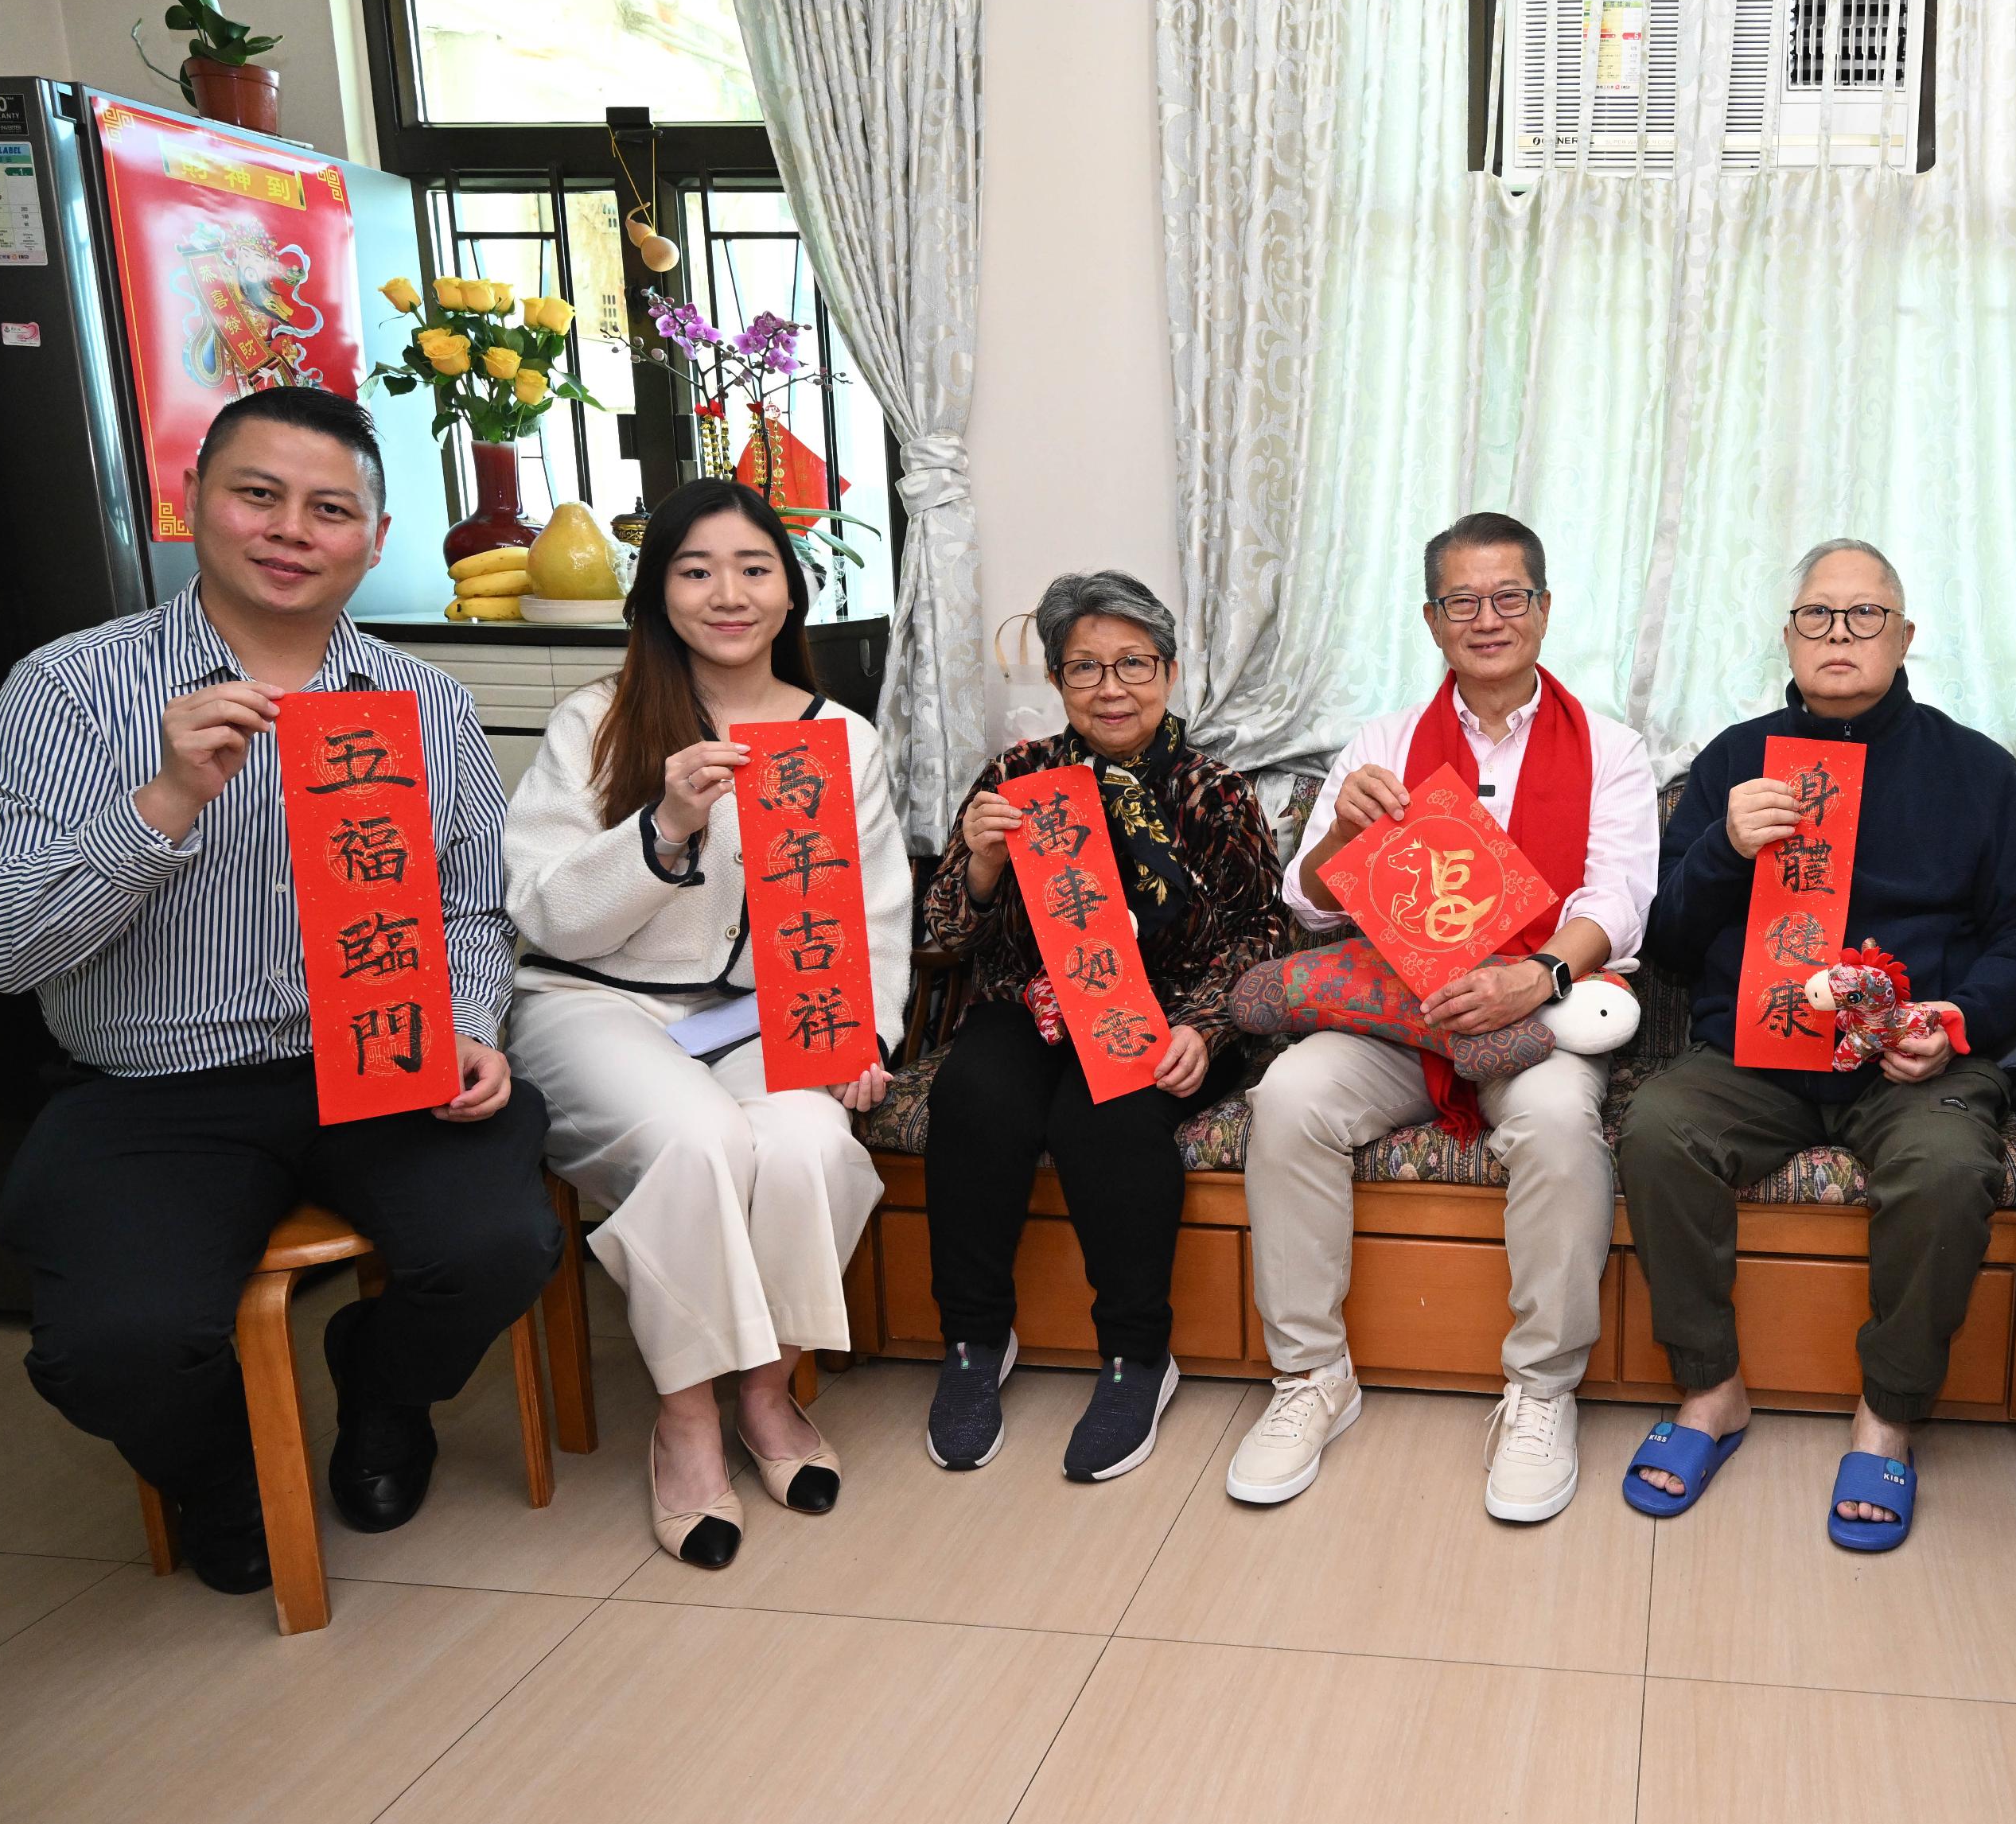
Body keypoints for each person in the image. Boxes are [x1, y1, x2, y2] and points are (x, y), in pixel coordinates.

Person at [0, 387, 559, 1596]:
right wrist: (165, 801)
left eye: (329, 509)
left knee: (500, 1242)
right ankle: (222, 1472)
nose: (290, 530)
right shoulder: (69, 691)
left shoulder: (423, 703)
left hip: (378, 1058)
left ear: (374, 541)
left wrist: (466, 1022)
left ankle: (381, 1391)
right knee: (113, 1343)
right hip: (150, 1086)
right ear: (194, 502)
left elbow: (467, 909)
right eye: (259, 495)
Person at [1620, 539, 2016, 1550]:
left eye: (1866, 616)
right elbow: (1669, 947)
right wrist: (1724, 850)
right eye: (1817, 615)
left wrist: (1954, 1022)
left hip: (1911, 1061)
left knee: (1947, 1165)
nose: (1839, 635)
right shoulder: (1734, 759)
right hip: (1755, 1052)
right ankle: (1710, 1388)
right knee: (1657, 1127)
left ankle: (1890, 1413)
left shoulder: (1975, 769)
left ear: (1904, 637)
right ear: (1787, 637)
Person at [504, 477, 907, 1569]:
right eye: (696, 571)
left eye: (753, 568)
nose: (728, 593)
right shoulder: (596, 720)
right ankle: (685, 1416)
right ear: (657, 593)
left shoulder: (841, 738)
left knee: (812, 1141)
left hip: (761, 1014)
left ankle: (766, 1391)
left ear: (791, 593)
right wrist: (665, 825)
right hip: (591, 1001)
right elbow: (543, 907)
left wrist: (859, 1036)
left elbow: (873, 913)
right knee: (701, 1140)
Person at [1226, 512, 1659, 1522]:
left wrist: (1536, 977)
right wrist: (1338, 834)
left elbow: (1621, 898)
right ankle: (1310, 1376)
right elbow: (1307, 905)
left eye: (1509, 596)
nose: (1487, 618)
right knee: (1287, 1094)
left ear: (1544, 608)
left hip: (1536, 1017)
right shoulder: (1381, 745)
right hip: (1397, 1015)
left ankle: (1540, 1391)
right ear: (1431, 619)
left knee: (1557, 1125)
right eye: (1462, 600)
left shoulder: (1611, 748)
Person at [922, 571, 1287, 1482]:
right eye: (1085, 667)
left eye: (1133, 663)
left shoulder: (1214, 791)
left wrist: (1206, 1028)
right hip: (1031, 1003)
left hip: (1166, 1012)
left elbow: (1262, 932)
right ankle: (973, 1341)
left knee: (1105, 1115)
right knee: (973, 1095)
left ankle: (1135, 1357)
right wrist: (979, 865)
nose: (1111, 687)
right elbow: (945, 935)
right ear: (1056, 680)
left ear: (1169, 671)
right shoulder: (1017, 778)